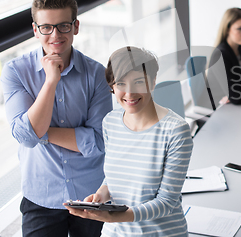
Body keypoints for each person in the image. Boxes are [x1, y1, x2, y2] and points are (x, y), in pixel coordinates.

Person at [1, 0, 112, 236]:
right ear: (35, 29)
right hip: (41, 194)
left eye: (63, 26)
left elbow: (97, 141)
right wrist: (51, 81)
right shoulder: (16, 72)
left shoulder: (96, 74)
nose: (55, 35)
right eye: (46, 27)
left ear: (76, 26)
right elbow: (25, 137)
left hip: (91, 193)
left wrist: (40, 132)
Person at [66, 46, 193, 236]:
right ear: (112, 86)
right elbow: (115, 176)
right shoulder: (110, 122)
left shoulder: (176, 131)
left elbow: (167, 202)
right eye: (121, 84)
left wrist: (116, 216)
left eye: (139, 82)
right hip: (115, 232)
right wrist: (101, 195)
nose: (130, 93)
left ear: (153, 81)